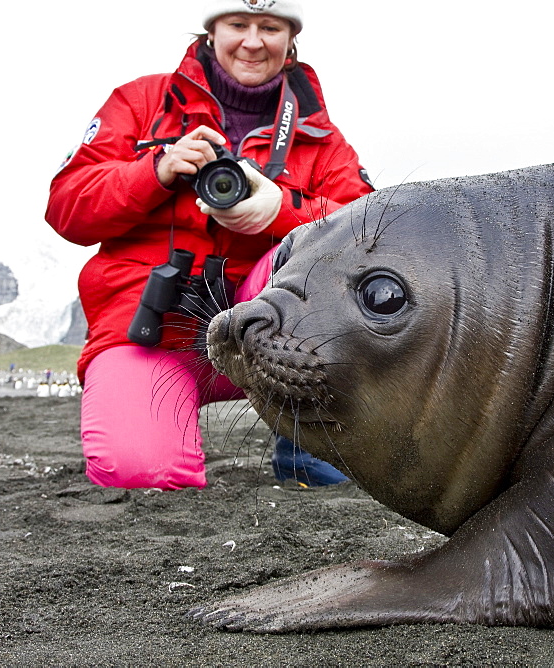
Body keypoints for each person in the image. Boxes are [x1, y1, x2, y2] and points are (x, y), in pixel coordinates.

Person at [45, 0, 374, 490]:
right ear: (212, 30)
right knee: (142, 472)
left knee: (324, 261)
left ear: (290, 40)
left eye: (270, 27)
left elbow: (371, 229)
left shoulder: (318, 136)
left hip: (266, 335)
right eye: (238, 24)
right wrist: (154, 171)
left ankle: (306, 439)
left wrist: (279, 211)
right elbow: (67, 208)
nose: (252, 40)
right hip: (154, 328)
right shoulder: (141, 102)